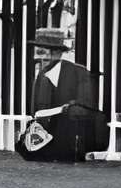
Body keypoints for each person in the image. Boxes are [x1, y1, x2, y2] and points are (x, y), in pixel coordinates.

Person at [14, 19, 107, 162]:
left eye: (41, 52)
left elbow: (88, 109)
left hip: (71, 147)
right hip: (43, 150)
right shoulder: (40, 77)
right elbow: (35, 113)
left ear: (57, 53)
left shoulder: (80, 74)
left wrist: (65, 109)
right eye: (36, 52)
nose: (37, 58)